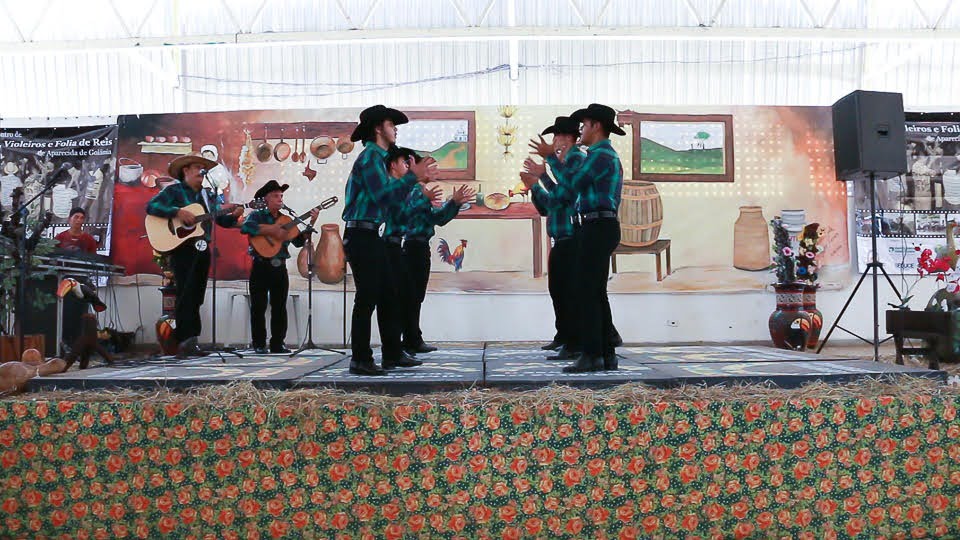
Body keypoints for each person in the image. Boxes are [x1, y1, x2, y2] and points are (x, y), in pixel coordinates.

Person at [524, 104, 625, 372]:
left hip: (598, 225)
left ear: (596, 126)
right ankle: (604, 353)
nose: (581, 131)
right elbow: (565, 193)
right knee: (592, 291)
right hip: (596, 226)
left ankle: (593, 354)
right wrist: (546, 171)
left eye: (584, 125)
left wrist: (549, 163)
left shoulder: (599, 155)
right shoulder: (598, 154)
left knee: (586, 292)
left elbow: (573, 183)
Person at [342, 105, 436, 375]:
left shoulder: (379, 158)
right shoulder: (370, 157)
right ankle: (360, 358)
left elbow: (391, 201)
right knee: (368, 296)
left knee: (388, 295)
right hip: (361, 233)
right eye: (391, 124)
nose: (395, 129)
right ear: (377, 128)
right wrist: (411, 178)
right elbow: (383, 196)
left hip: (372, 233)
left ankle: (392, 354)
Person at [146, 154, 242, 357]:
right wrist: (177, 212)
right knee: (185, 291)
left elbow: (219, 220)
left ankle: (191, 340)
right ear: (186, 171)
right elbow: (151, 207)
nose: (201, 171)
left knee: (197, 294)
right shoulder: (174, 190)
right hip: (182, 247)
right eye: (197, 167)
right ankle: (182, 340)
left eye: (202, 168)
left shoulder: (209, 195)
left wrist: (233, 216)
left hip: (201, 246)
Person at [386, 148, 475, 354]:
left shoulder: (419, 189)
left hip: (419, 246)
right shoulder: (411, 189)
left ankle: (412, 338)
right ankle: (408, 340)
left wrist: (454, 203)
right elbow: (404, 215)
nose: (433, 170)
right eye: (429, 166)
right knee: (410, 295)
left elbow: (437, 218)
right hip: (410, 246)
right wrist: (424, 198)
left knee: (415, 295)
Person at [525, 116, 583, 360]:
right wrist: (535, 185)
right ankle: (564, 336)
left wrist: (540, 179)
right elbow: (548, 207)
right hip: (560, 236)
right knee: (558, 289)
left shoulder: (576, 159)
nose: (553, 141)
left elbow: (565, 195)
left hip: (571, 235)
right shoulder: (562, 162)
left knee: (567, 290)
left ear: (568, 138)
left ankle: (572, 340)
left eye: (557, 136)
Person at [240, 180, 319, 354]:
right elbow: (246, 227)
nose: (280, 198)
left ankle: (278, 343)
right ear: (266, 199)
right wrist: (272, 230)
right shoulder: (257, 215)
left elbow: (299, 241)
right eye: (276, 196)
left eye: (281, 196)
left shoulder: (286, 219)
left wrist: (312, 222)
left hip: (279, 267)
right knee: (258, 306)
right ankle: (259, 344)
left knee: (279, 306)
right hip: (260, 265)